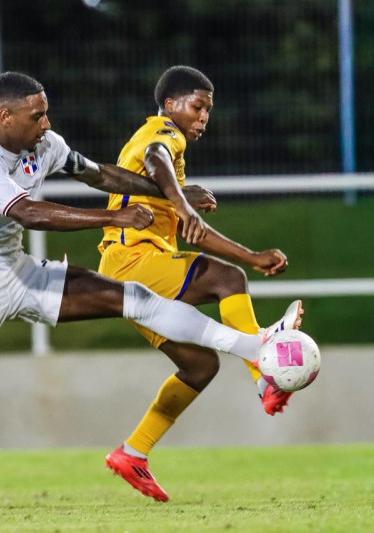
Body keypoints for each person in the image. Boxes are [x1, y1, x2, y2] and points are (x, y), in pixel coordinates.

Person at [0, 71, 299, 516]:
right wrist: (112, 220)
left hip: (18, 273)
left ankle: (258, 348)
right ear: (5, 117)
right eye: (37, 116)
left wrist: (171, 193)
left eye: (46, 115)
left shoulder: (44, 144)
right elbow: (29, 213)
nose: (46, 124)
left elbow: (101, 175)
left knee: (136, 299)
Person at [97, 65, 301, 503]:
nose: (204, 117)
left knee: (200, 366)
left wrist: (252, 256)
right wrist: (183, 201)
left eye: (208, 109)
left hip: (127, 269)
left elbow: (194, 232)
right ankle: (263, 371)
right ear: (171, 105)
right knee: (226, 280)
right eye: (198, 106)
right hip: (134, 261)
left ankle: (133, 453)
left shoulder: (171, 172)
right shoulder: (163, 132)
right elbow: (156, 157)